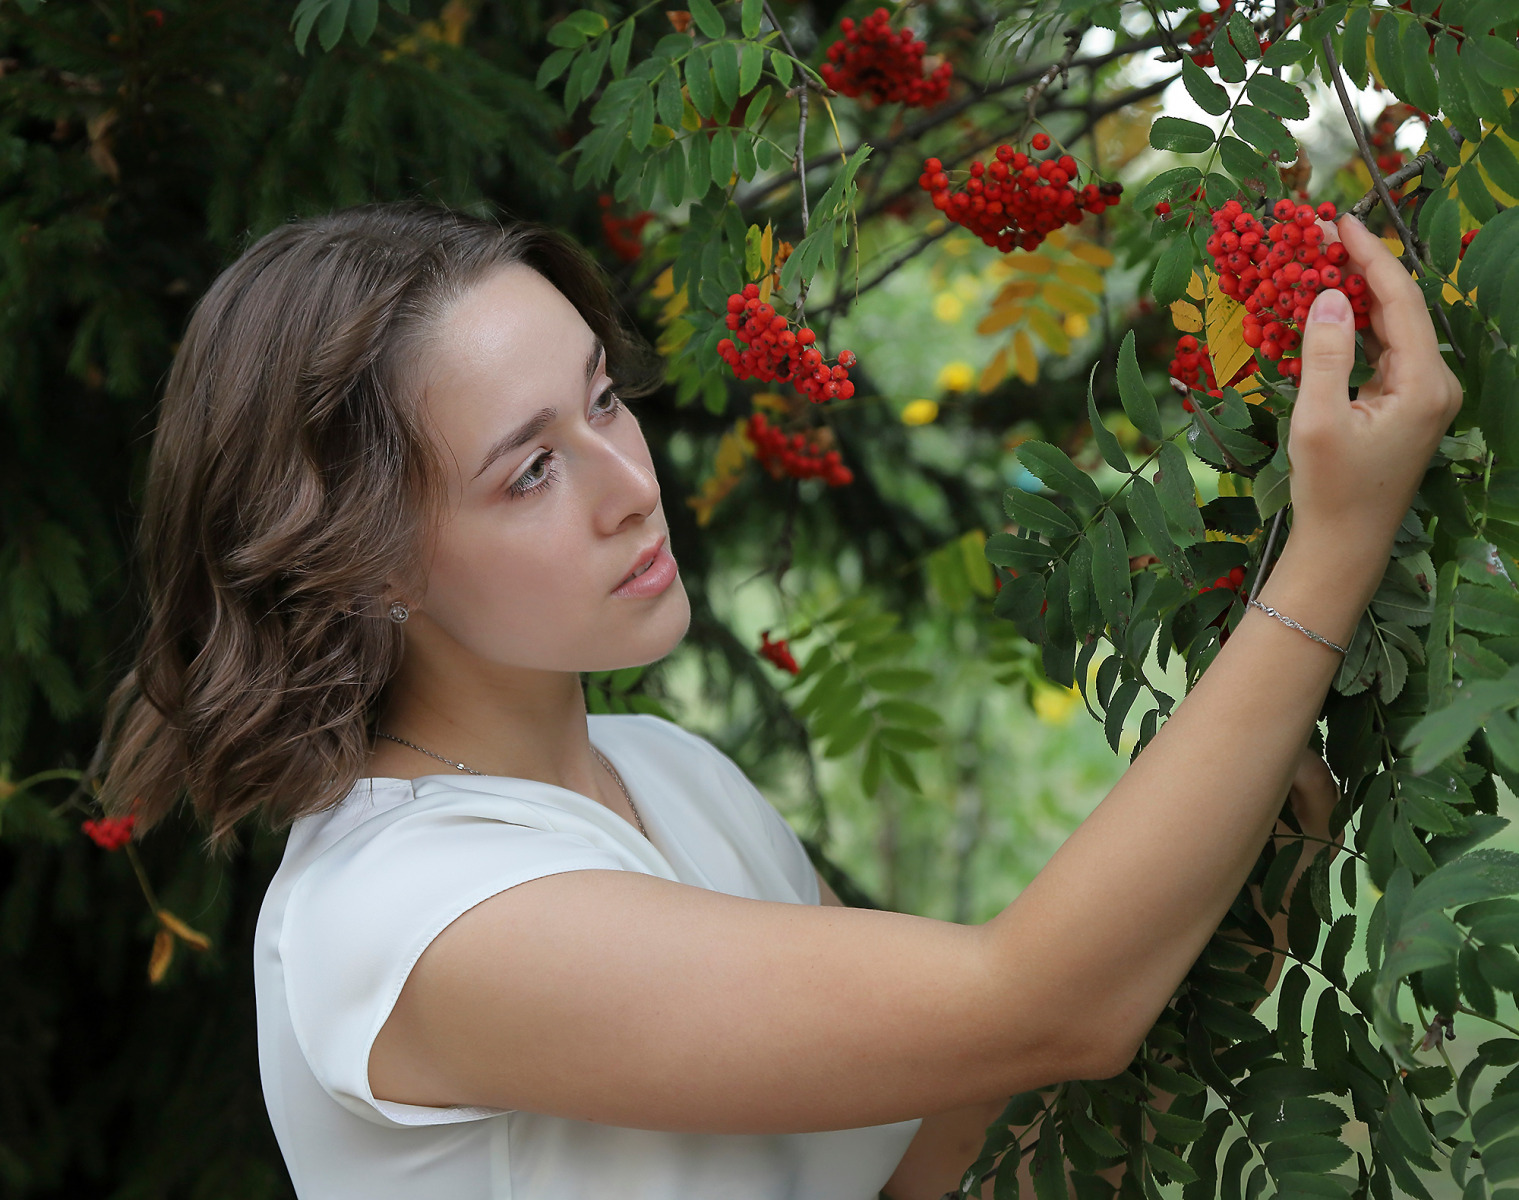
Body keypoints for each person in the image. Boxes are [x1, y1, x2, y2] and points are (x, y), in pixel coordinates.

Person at [90, 199, 1462, 1200]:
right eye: (528, 470)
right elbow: (1041, 1006)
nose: (631, 482)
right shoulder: (407, 915)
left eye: (605, 402)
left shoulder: (672, 772)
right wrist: (1335, 545)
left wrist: (1256, 859)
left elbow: (966, 1159)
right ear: (370, 566)